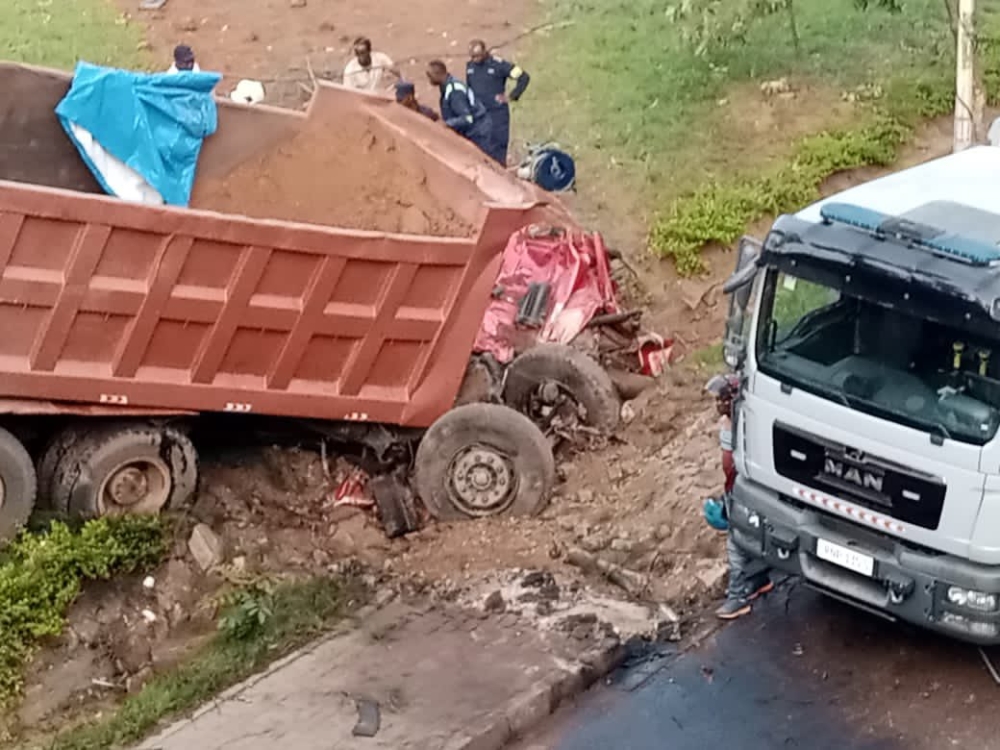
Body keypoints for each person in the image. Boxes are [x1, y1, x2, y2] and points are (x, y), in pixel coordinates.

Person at [703, 374, 773, 620]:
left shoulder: (748, 425)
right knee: (751, 536)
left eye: (723, 399)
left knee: (737, 542)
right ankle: (759, 579)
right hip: (737, 488)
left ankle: (737, 597)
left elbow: (734, 463)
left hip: (748, 487)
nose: (719, 404)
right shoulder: (728, 423)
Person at [466, 40, 529, 165]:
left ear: (485, 52)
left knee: (498, 151)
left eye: (477, 55)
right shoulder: (470, 67)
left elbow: (523, 77)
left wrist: (511, 96)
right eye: (472, 56)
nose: (475, 59)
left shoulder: (499, 65)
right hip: (479, 115)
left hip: (497, 115)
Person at [426, 60, 496, 162]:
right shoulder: (448, 86)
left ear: (438, 74)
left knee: (484, 163)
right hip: (476, 130)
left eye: (430, 75)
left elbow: (467, 118)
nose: (429, 79)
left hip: (478, 131)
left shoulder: (454, 91)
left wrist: (447, 124)